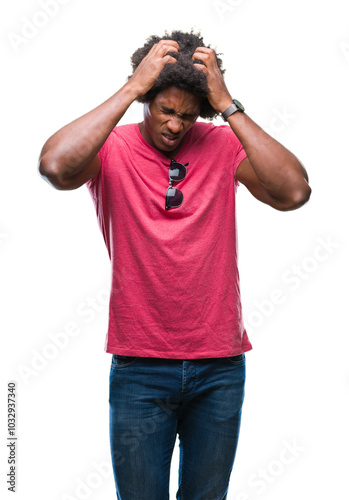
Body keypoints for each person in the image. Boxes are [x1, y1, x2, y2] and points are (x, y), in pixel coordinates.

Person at [38, 29, 311, 500]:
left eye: (187, 115)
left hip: (219, 365)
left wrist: (227, 104)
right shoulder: (110, 147)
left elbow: (294, 192)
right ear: (146, 97)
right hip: (140, 365)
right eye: (165, 109)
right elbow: (55, 167)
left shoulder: (222, 146)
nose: (174, 125)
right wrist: (129, 89)